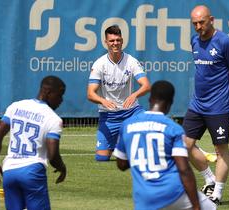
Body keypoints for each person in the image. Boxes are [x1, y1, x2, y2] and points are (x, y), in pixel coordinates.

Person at [113, 80, 216, 210]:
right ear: (170, 103)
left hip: (144, 197)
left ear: (150, 98)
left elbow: (121, 164)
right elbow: (184, 170)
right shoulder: (173, 128)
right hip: (173, 192)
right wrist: (196, 206)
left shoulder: (127, 125)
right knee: (211, 208)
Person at [183, 5, 229, 204]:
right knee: (184, 145)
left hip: (218, 106)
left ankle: (217, 193)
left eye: (202, 22)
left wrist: (228, 93)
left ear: (211, 19)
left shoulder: (225, 42)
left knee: (220, 149)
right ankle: (209, 179)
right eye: (195, 24)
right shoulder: (194, 41)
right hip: (197, 104)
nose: (198, 26)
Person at [0, 75, 67, 210]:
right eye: (59, 95)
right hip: (32, 172)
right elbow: (53, 155)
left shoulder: (16, 106)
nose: (61, 100)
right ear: (48, 92)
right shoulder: (53, 119)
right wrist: (62, 167)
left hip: (9, 171)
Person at [87, 25, 151, 161]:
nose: (115, 43)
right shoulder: (99, 64)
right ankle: (119, 143)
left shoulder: (131, 61)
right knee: (101, 158)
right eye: (111, 41)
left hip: (131, 112)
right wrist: (103, 101)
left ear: (122, 41)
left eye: (118, 40)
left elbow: (146, 85)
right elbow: (90, 94)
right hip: (108, 116)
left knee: (150, 126)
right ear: (106, 42)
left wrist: (134, 95)